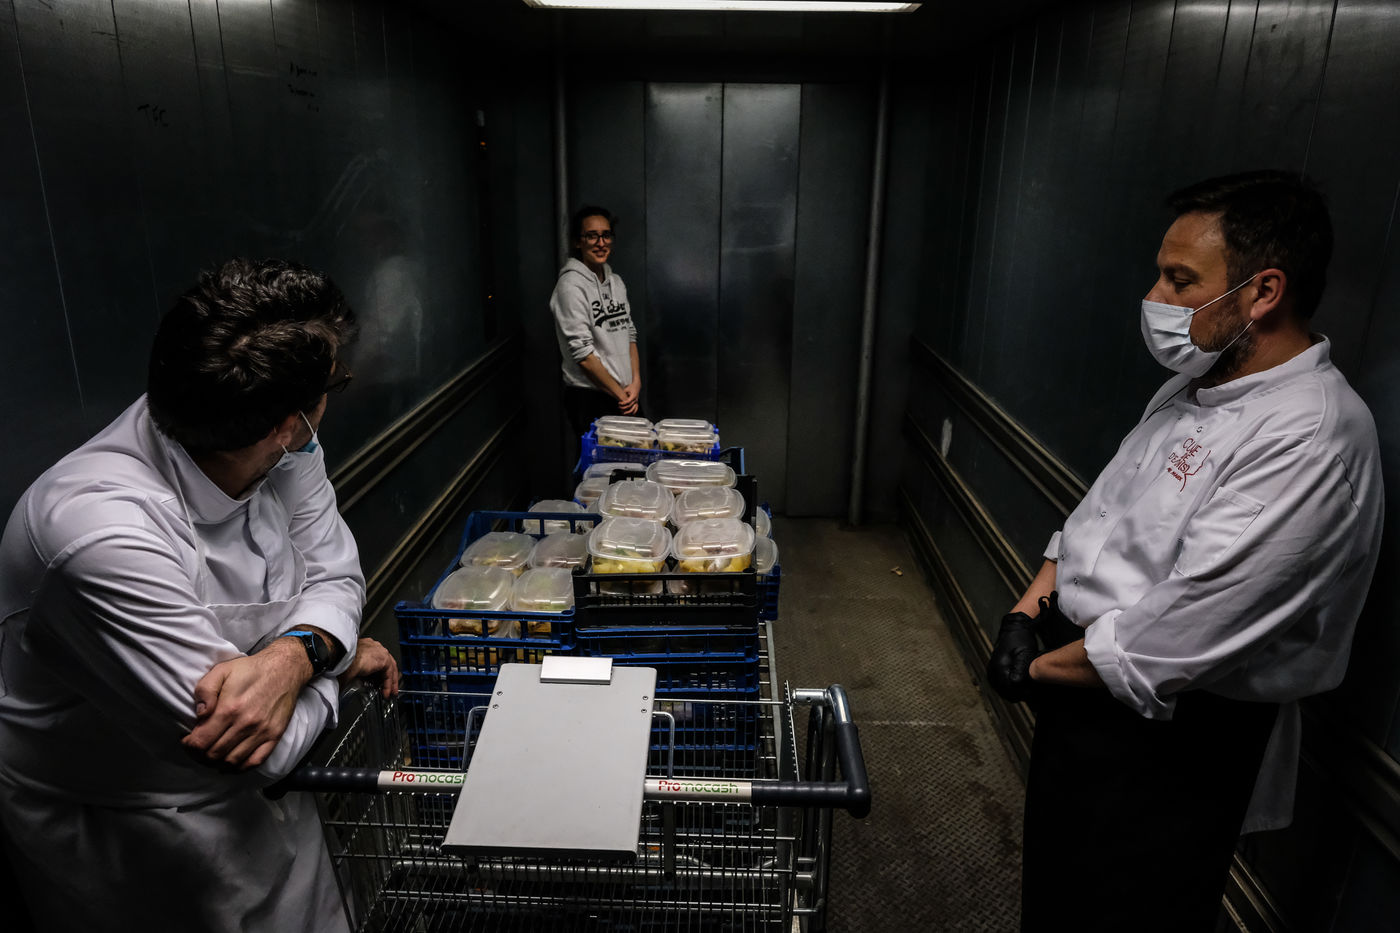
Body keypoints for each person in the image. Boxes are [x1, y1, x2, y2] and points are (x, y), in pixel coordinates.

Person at [985, 171, 1383, 932]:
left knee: (1129, 911)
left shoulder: (1310, 437)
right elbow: (1099, 517)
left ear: (1264, 291)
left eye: (1180, 280)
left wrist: (1033, 670)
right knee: (1057, 901)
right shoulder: (1191, 386)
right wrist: (1027, 611)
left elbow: (1175, 637)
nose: (1155, 298)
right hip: (1080, 688)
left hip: (1173, 738)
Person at [0, 258, 400, 933]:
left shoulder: (282, 445)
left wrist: (295, 658)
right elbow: (257, 749)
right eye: (333, 384)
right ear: (287, 424)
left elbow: (335, 575)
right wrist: (340, 659)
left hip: (270, 804)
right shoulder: (96, 533)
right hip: (133, 827)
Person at [550, 205, 643, 449]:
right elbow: (583, 354)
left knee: (634, 464)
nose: (601, 243)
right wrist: (620, 394)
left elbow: (629, 334)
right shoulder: (570, 286)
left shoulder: (616, 282)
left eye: (606, 235)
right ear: (577, 242)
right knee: (600, 469)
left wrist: (636, 382)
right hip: (590, 397)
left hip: (625, 395)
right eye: (592, 236)